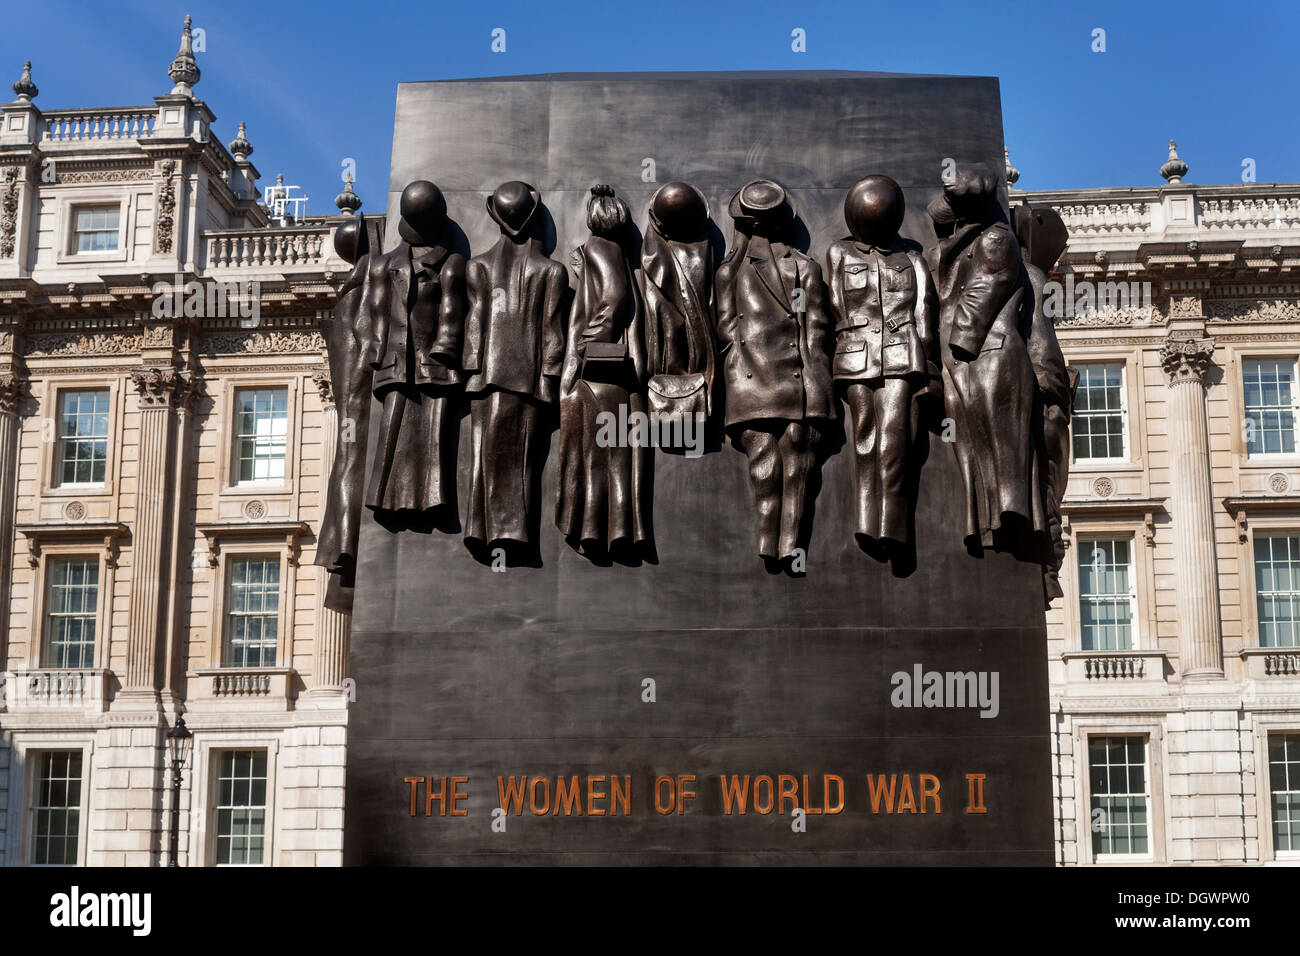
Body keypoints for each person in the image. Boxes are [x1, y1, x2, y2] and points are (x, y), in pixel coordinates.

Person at [715, 179, 835, 565]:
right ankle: (772, 547)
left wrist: (814, 384)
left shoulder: (804, 268)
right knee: (768, 469)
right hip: (754, 382)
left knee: (797, 468)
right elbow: (727, 328)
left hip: (797, 383)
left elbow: (814, 330)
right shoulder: (730, 272)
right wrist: (741, 364)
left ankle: (790, 549)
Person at [824, 175, 939, 551]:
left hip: (901, 356)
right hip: (857, 355)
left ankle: (893, 524)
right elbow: (831, 305)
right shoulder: (839, 254)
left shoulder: (913, 259)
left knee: (894, 439)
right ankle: (865, 521)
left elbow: (924, 314)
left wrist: (929, 368)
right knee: (864, 439)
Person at [556, 185, 651, 558]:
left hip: (598, 373)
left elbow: (614, 296)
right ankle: (616, 531)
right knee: (612, 459)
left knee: (600, 459)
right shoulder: (616, 252)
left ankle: (596, 531)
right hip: (610, 378)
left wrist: (590, 340)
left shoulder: (599, 247)